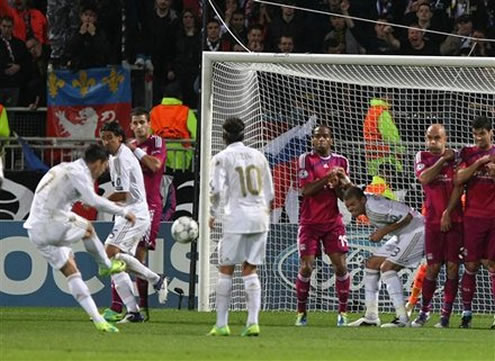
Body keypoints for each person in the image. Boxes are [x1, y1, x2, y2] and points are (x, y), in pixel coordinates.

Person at [22, 144, 134, 333]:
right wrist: (123, 211)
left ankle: (99, 320)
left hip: (35, 230)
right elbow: (94, 201)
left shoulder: (63, 167)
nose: (103, 171)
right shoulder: (79, 172)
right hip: (51, 224)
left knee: (71, 271)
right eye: (105, 166)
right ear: (98, 162)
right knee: (88, 229)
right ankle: (106, 266)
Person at [207, 117, 274, 337]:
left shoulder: (221, 158)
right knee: (250, 268)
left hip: (236, 218)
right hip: (259, 219)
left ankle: (221, 324)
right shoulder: (259, 156)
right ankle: (253, 322)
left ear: (224, 135)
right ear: (244, 134)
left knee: (226, 269)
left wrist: (212, 214)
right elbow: (270, 194)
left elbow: (215, 191)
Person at [100, 121, 167, 323]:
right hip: (128, 213)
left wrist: (97, 201)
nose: (106, 142)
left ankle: (152, 283)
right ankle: (135, 309)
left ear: (120, 137)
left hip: (134, 214)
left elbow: (123, 193)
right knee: (115, 260)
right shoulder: (115, 157)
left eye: (110, 137)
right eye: (103, 138)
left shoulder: (122, 159)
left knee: (110, 254)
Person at [295, 125, 352, 327]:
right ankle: (301, 313)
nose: (320, 139)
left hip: (332, 223)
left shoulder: (341, 161)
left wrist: (340, 183)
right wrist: (328, 178)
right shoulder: (305, 160)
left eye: (325, 136)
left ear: (331, 140)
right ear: (312, 140)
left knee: (342, 266)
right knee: (306, 267)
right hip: (309, 223)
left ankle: (343, 314)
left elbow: (345, 197)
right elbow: (307, 190)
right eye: (317, 136)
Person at [344, 186, 425, 327]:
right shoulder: (366, 202)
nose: (350, 209)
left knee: (388, 268)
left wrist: (382, 232)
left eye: (353, 204)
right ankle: (371, 317)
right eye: (348, 206)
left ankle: (402, 319)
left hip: (418, 230)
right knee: (372, 264)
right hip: (403, 233)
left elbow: (408, 217)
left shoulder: (375, 208)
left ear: (362, 200)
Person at [411, 124, 463, 328]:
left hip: (456, 220)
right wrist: (442, 160)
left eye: (437, 138)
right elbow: (424, 178)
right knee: (432, 268)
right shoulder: (422, 157)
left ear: (445, 139)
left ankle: (445, 316)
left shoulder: (458, 158)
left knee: (452, 268)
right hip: (432, 222)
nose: (432, 142)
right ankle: (424, 313)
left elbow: (460, 186)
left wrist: (448, 213)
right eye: (429, 138)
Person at [455, 116, 495, 329]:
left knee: (493, 266)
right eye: (476, 134)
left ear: (491, 133)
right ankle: (466, 313)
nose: (479, 138)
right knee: (470, 265)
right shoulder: (468, 153)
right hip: (472, 218)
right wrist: (479, 163)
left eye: (483, 134)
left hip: (494, 219)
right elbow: (459, 178)